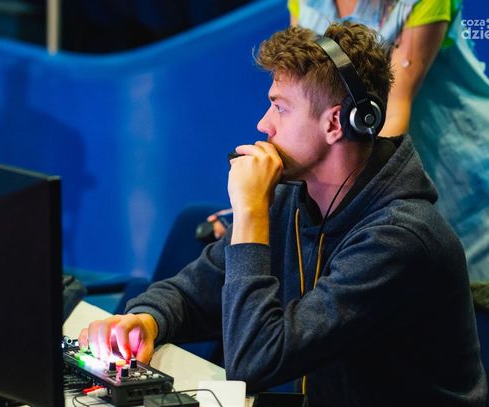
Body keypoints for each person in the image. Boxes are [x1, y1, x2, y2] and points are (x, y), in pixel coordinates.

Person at [79, 22, 487, 405]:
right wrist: (147, 320)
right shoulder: (293, 199)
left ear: (336, 122)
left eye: (281, 108)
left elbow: (255, 362)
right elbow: (194, 292)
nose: (263, 124)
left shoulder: (399, 239)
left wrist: (251, 211)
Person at [288, 0, 489, 283]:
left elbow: (392, 110)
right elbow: (301, 94)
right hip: (378, 183)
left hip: (459, 176)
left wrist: (349, 204)